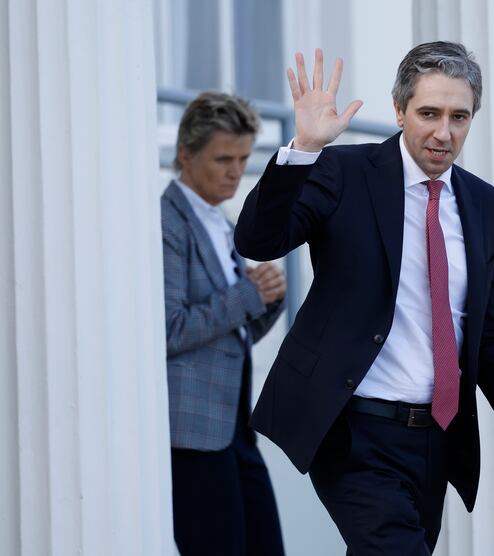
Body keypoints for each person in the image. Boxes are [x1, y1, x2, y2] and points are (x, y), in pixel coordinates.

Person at [235, 42, 494, 555]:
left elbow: (492, 339)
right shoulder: (343, 173)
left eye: (459, 117)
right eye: (429, 114)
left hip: (436, 440)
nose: (444, 133)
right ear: (399, 111)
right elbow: (258, 241)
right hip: (353, 432)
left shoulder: (483, 204)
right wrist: (304, 149)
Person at [161, 91, 286, 555]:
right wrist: (246, 295)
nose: (236, 171)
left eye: (243, 157)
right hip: (192, 436)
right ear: (185, 155)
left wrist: (266, 300)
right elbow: (170, 330)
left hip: (234, 429)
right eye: (223, 159)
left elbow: (231, 336)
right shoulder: (167, 223)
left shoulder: (218, 219)